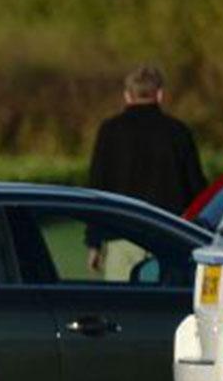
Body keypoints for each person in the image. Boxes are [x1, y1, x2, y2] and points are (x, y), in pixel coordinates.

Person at [85, 64, 206, 276]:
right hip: (170, 236)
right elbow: (196, 188)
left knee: (122, 306)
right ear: (160, 95)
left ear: (127, 96)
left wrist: (94, 242)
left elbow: (97, 186)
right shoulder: (178, 132)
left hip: (121, 236)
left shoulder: (110, 132)